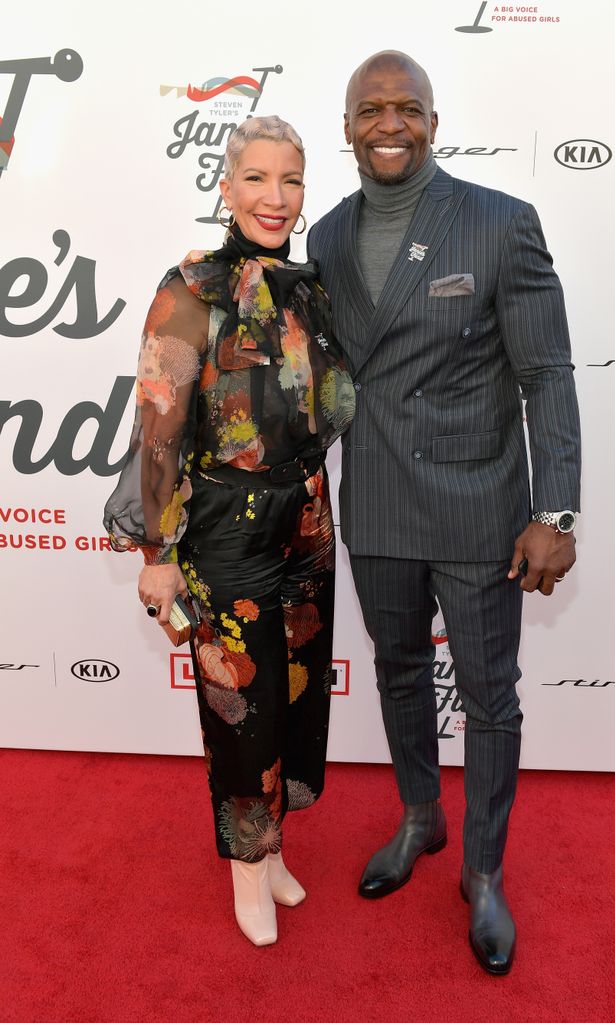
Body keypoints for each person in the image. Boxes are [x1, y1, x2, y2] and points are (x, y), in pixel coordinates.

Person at [308, 51, 581, 974]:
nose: (389, 125)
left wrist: (560, 511)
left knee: (489, 694)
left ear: (432, 120)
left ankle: (484, 868)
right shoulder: (328, 238)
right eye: (369, 110)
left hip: (478, 504)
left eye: (406, 109)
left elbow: (545, 373)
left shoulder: (500, 224)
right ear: (346, 126)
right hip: (378, 499)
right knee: (394, 669)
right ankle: (420, 817)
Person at [104, 116, 355, 947]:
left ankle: (274, 846)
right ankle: (248, 868)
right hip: (223, 528)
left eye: (289, 181)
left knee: (296, 691)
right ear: (225, 185)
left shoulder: (306, 286)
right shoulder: (189, 291)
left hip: (308, 518)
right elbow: (159, 428)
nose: (274, 198)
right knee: (241, 701)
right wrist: (156, 552)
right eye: (256, 178)